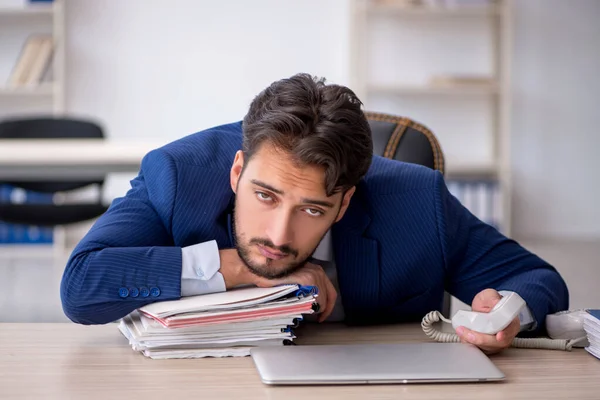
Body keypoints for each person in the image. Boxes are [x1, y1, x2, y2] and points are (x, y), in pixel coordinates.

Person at [60, 73, 569, 354]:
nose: (279, 235)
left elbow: (535, 279)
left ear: (345, 202)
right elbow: (82, 286)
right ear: (237, 172)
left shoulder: (416, 201)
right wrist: (235, 266)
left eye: (311, 208)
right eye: (265, 196)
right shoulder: (179, 175)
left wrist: (506, 311)